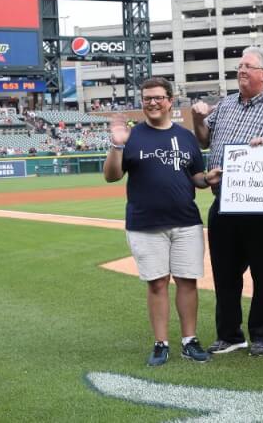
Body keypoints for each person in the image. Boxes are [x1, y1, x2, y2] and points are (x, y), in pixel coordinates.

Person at [103, 77, 216, 366]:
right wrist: (116, 146)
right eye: (146, 98)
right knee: (157, 284)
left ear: (169, 100)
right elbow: (112, 176)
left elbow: (196, 178)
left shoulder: (186, 136)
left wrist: (208, 179)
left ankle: (189, 341)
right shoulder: (133, 136)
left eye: (157, 97)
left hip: (186, 222)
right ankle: (161, 343)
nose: (152, 102)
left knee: (187, 282)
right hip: (145, 223)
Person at [191, 46, 263, 358]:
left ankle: (262, 335)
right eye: (240, 66)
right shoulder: (225, 105)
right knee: (225, 274)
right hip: (224, 200)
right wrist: (197, 119)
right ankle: (230, 334)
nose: (242, 70)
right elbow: (205, 139)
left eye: (248, 66)